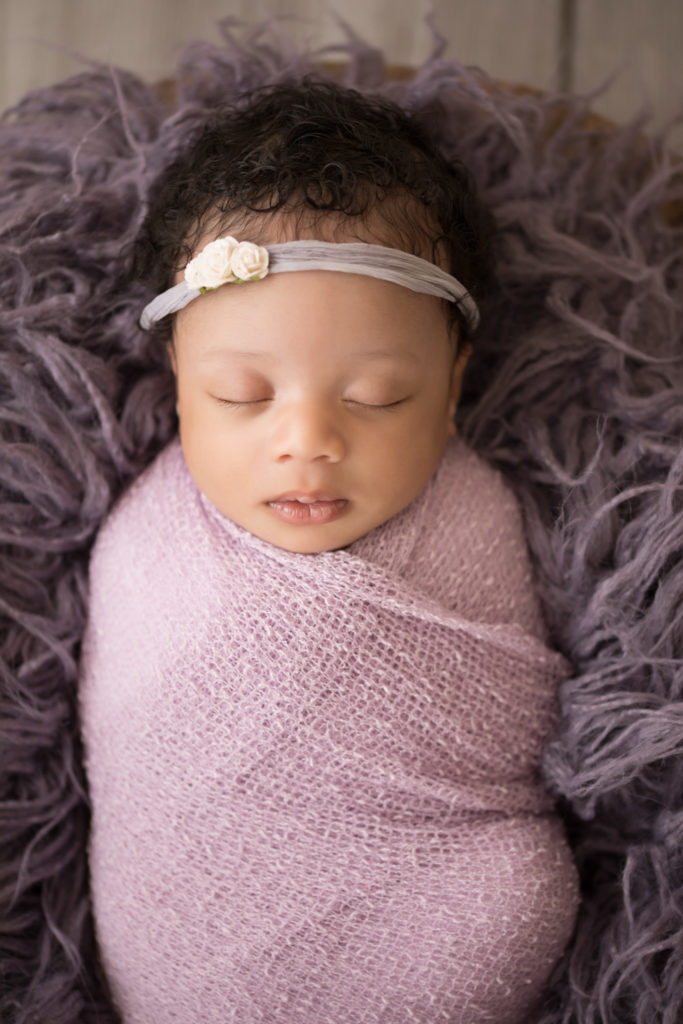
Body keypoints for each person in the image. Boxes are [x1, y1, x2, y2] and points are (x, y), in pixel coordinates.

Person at [78, 79, 578, 1023]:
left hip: (434, 897)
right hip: (189, 935)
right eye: (239, 394)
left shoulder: (478, 510)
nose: (306, 440)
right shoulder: (141, 542)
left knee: (513, 890)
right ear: (177, 375)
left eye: (380, 395)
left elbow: (515, 722)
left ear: (453, 380)